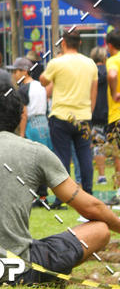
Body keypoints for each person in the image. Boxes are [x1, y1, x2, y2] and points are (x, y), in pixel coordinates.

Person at [0, 82, 120, 284]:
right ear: (20, 116)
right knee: (100, 230)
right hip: (17, 273)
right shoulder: (36, 152)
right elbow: (91, 207)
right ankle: (49, 276)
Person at [40, 30, 97, 200]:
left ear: (63, 43)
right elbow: (93, 93)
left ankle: (62, 197)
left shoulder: (57, 63)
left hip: (61, 115)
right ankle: (88, 192)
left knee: (62, 157)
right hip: (83, 116)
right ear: (80, 43)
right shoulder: (90, 63)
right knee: (85, 155)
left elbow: (43, 81)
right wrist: (89, 112)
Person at [11, 56, 51, 148]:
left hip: (32, 126)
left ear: (25, 71)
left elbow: (24, 114)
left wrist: (21, 134)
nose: (13, 75)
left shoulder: (22, 90)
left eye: (15, 71)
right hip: (45, 124)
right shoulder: (40, 85)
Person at [90, 45, 111, 184]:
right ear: (105, 58)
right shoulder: (111, 71)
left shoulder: (90, 73)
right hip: (111, 113)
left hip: (95, 113)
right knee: (115, 145)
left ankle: (101, 176)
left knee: (98, 145)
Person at [105, 29, 120, 189]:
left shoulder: (113, 60)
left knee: (118, 154)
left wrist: (115, 92)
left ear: (109, 45)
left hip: (117, 115)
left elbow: (112, 75)